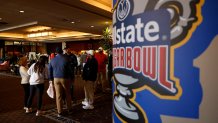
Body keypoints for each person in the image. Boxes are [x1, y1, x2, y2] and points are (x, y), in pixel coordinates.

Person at [49, 47, 73, 117]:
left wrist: (50, 79)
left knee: (58, 95)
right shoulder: (66, 58)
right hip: (65, 78)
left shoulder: (52, 60)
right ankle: (69, 109)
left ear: (56, 52)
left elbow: (50, 70)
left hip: (56, 78)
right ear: (62, 52)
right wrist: (72, 77)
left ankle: (60, 111)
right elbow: (70, 70)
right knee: (67, 93)